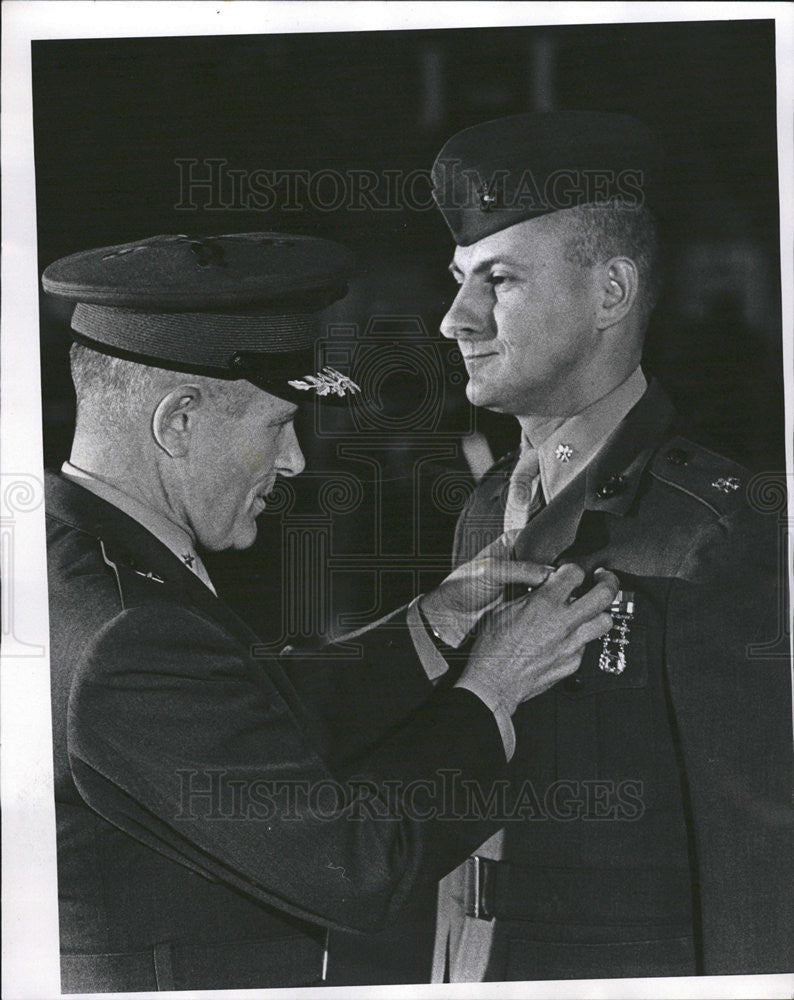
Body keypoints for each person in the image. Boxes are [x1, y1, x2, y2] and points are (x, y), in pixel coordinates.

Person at [42, 231, 618, 993]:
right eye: (278, 426)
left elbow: (238, 722)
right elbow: (360, 867)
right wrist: (494, 688)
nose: (295, 463)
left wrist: (430, 624)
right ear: (178, 420)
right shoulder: (128, 636)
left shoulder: (71, 558)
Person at [426, 112, 793, 981]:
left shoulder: (717, 532)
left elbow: (758, 864)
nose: (454, 319)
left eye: (498, 280)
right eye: (457, 280)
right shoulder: (488, 507)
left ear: (612, 292)